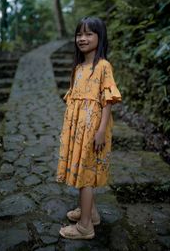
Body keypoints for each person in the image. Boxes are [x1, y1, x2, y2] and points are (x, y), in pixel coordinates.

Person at [56, 17, 122, 239]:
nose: (82, 39)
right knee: (81, 169)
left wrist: (101, 130)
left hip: (93, 128)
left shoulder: (103, 66)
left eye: (88, 34)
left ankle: (85, 227)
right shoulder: (79, 67)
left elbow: (107, 101)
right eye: (79, 34)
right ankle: (90, 213)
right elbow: (74, 100)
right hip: (77, 129)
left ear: (99, 37)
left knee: (86, 174)